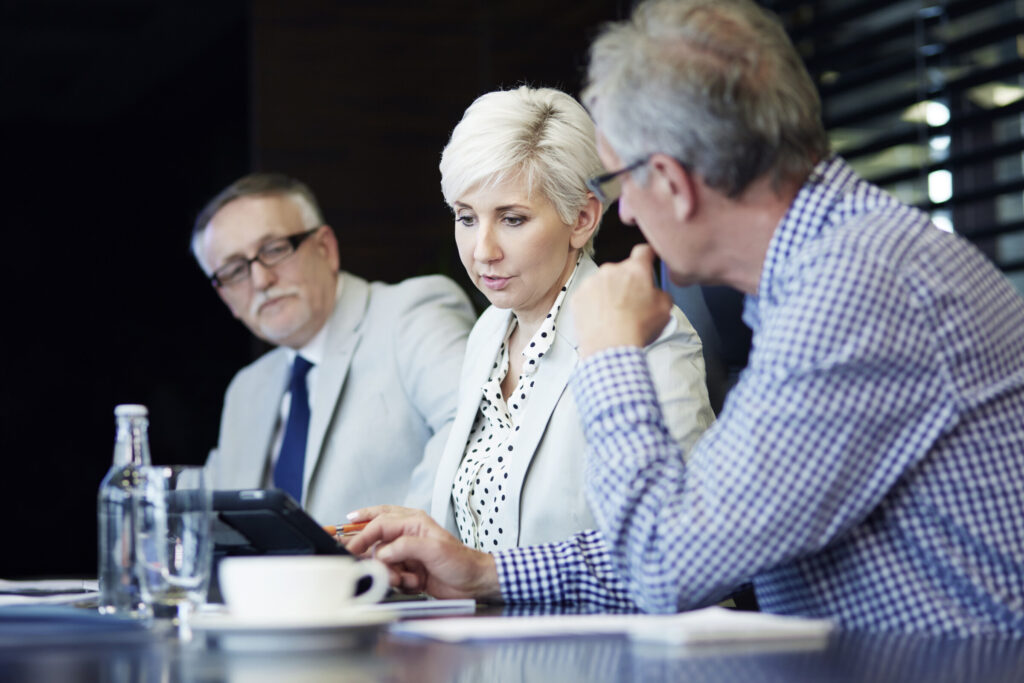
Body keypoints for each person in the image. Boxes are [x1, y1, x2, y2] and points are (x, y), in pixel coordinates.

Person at [347, 0, 1024, 635]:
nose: (630, 214)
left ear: (670, 179)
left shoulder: (853, 292)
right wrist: (487, 571)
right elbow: (701, 533)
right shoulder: (834, 269)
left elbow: (668, 565)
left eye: (622, 184)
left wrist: (610, 351)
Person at [351, 87, 713, 551]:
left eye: (513, 219)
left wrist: (487, 578)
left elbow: (677, 549)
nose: (483, 251)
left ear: (582, 217)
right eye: (466, 218)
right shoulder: (489, 332)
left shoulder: (646, 336)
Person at [192, 173, 476, 523]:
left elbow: (472, 420)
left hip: (390, 575)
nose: (261, 280)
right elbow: (208, 508)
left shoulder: (409, 314)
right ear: (226, 298)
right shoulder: (246, 390)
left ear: (325, 249)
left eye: (274, 250)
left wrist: (403, 545)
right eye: (235, 270)